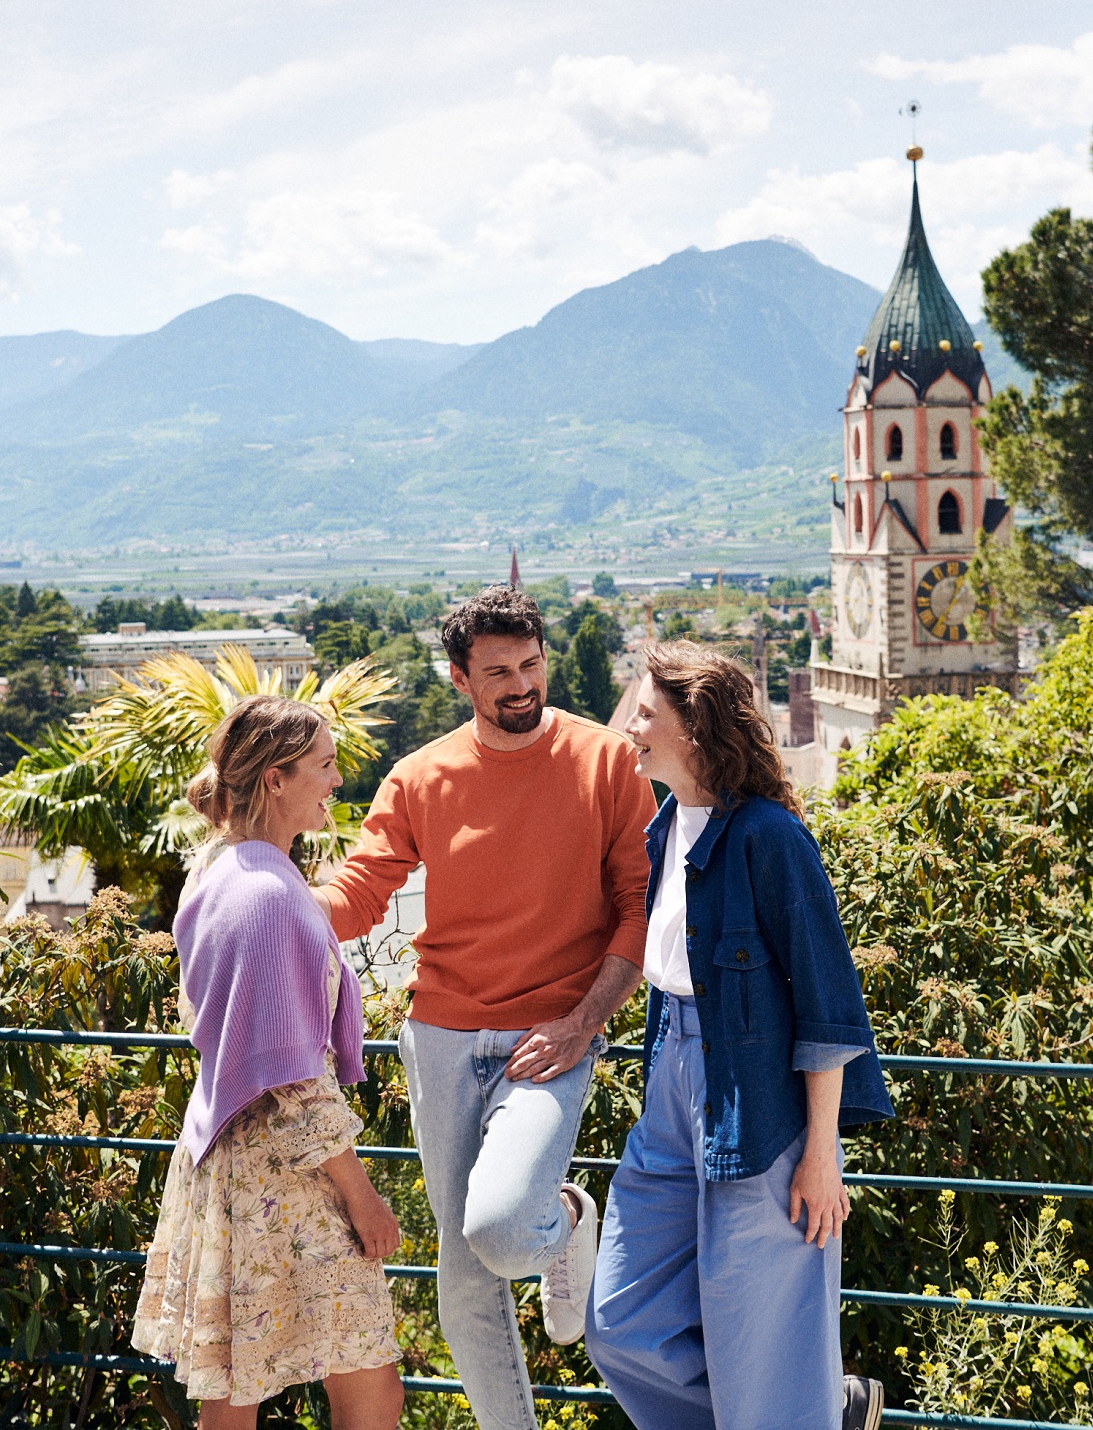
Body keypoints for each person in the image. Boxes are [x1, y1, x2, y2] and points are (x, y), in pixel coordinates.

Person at [311, 585, 656, 1430]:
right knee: (463, 1281)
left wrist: (584, 1024)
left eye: (531, 664)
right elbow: (358, 893)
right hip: (440, 1039)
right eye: (498, 671)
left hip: (552, 1038)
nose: (521, 683)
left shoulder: (605, 762)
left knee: (501, 1231)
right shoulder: (420, 775)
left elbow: (641, 906)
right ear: (461, 678)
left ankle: (568, 1214)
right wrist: (260, 899)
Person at [585, 641, 893, 1430]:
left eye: (645, 714)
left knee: (761, 1346)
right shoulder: (665, 830)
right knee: (622, 1325)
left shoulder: (768, 837)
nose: (630, 728)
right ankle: (820, 1412)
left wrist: (822, 1154)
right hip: (671, 1094)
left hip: (759, 1107)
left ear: (693, 728)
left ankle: (804, 1411)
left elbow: (829, 1004)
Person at [133, 696, 406, 1430]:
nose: (337, 781)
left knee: (233, 1385)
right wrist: (363, 1199)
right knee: (370, 1388)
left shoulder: (218, 870)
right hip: (286, 1178)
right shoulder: (268, 895)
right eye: (324, 765)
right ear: (277, 780)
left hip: (223, 1164)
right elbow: (292, 1077)